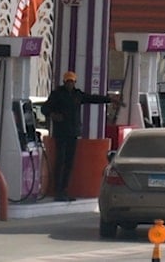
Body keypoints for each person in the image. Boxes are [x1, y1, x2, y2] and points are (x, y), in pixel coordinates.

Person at [41, 71, 114, 202]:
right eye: (68, 81)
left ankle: (64, 190)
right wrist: (52, 114)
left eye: (72, 82)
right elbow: (44, 109)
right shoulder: (57, 94)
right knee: (60, 162)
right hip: (61, 133)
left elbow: (93, 98)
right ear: (64, 82)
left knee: (69, 163)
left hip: (73, 133)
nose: (70, 84)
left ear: (74, 83)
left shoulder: (77, 95)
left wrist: (110, 100)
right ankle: (58, 191)